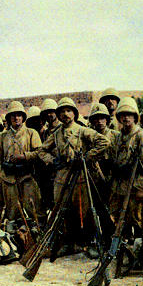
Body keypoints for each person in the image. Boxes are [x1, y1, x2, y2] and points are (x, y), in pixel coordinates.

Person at [39, 97, 108, 256]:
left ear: (75, 113)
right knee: (63, 210)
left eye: (68, 110)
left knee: (85, 210)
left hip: (81, 175)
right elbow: (42, 151)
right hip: (62, 176)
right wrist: (52, 161)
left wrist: (86, 157)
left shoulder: (83, 130)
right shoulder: (56, 134)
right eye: (61, 112)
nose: (65, 114)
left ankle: (89, 243)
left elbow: (103, 142)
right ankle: (68, 243)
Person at [107, 97, 143, 240]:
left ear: (135, 117)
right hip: (119, 188)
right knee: (120, 222)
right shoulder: (118, 137)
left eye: (129, 114)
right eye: (123, 115)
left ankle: (139, 255)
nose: (126, 118)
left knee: (138, 222)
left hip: (134, 188)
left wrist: (141, 189)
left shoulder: (142, 137)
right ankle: (125, 251)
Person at [0, 101, 42, 223]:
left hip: (27, 176)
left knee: (33, 208)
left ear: (23, 117)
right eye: (13, 115)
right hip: (9, 178)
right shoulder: (3, 136)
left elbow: (40, 153)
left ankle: (37, 235)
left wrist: (24, 156)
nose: (16, 118)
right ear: (9, 118)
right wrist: (1, 172)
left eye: (19, 115)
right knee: (12, 212)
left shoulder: (31, 133)